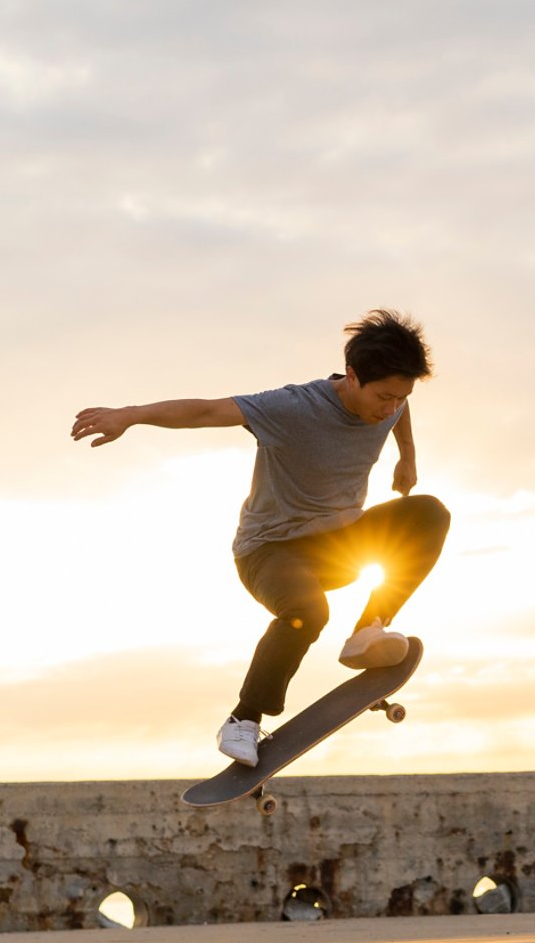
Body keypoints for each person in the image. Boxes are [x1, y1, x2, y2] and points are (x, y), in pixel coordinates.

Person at [70, 309, 450, 768]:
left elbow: (401, 415)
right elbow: (207, 410)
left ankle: (368, 632)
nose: (389, 409)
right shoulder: (293, 407)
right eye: (384, 397)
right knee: (308, 612)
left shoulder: (393, 402)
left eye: (400, 398)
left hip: (340, 545)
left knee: (429, 513)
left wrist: (406, 456)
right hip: (269, 552)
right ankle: (242, 720)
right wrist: (130, 415)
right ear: (352, 377)